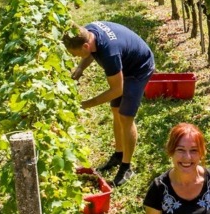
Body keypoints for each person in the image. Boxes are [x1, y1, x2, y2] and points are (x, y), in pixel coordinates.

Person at [64, 22, 155, 187]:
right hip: (124, 62)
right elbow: (89, 53)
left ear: (85, 45)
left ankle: (127, 167)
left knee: (125, 116)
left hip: (138, 68)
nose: (76, 57)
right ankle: (119, 154)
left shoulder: (109, 53)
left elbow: (117, 90)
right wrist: (80, 69)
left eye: (76, 55)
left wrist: (85, 104)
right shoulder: (87, 32)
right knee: (115, 109)